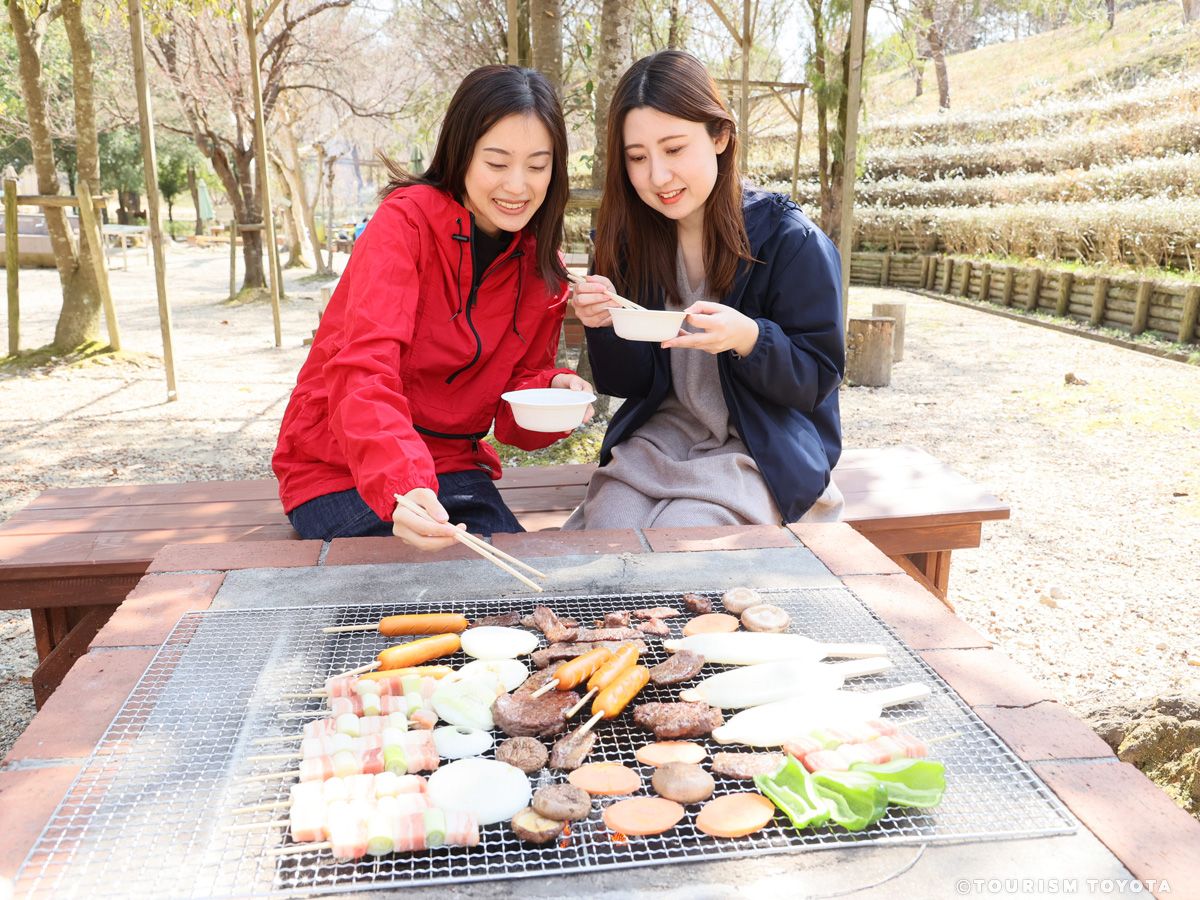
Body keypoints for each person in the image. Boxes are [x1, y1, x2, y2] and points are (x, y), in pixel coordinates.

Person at [273, 65, 592, 549]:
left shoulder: (541, 264)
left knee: (514, 591)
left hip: (453, 465)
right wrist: (403, 484)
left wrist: (552, 392)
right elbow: (363, 369)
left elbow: (512, 416)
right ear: (461, 153)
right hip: (337, 465)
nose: (518, 186)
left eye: (537, 165)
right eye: (497, 162)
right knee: (406, 593)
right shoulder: (404, 224)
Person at [564, 50, 844, 530]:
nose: (657, 177)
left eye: (674, 149)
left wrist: (750, 339)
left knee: (683, 538)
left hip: (760, 447)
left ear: (720, 135)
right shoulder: (628, 241)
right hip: (660, 441)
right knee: (609, 532)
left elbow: (817, 379)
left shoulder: (790, 240)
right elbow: (627, 384)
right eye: (637, 157)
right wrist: (604, 325)